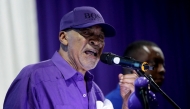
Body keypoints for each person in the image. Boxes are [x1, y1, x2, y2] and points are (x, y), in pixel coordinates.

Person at [3, 6, 137, 109]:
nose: (96, 42)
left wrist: (126, 104)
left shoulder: (96, 92)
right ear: (63, 37)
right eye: (86, 33)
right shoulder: (34, 77)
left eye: (101, 37)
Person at [106, 40, 166, 109]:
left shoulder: (148, 97)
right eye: (153, 64)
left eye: (163, 64)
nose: (162, 70)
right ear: (131, 67)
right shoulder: (110, 104)